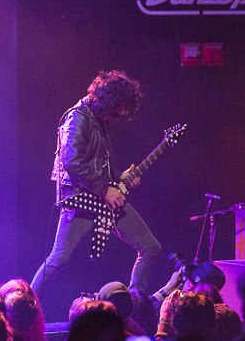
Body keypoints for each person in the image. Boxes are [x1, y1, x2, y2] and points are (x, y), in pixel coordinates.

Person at [31, 70, 161, 301]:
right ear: (109, 99)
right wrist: (104, 189)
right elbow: (72, 161)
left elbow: (98, 164)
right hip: (80, 200)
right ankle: (24, 307)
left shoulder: (99, 119)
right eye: (118, 109)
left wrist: (121, 178)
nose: (119, 115)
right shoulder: (77, 117)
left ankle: (135, 306)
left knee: (150, 247)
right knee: (58, 259)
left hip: (103, 198)